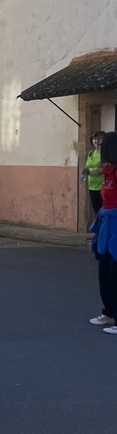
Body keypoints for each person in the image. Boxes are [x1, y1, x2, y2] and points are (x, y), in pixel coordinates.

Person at [91, 132, 117, 334]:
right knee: (105, 269)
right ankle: (109, 311)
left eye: (103, 146)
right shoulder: (108, 171)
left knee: (115, 271)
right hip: (107, 222)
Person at [84, 132, 104, 220]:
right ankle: (98, 227)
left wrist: (101, 170)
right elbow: (87, 166)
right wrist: (85, 171)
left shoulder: (105, 153)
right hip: (92, 186)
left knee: (103, 210)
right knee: (96, 209)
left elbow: (106, 167)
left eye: (99, 139)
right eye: (95, 139)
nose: (97, 141)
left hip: (102, 186)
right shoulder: (91, 153)